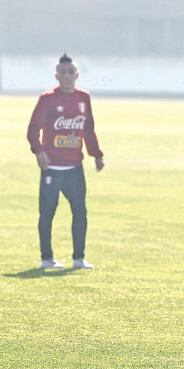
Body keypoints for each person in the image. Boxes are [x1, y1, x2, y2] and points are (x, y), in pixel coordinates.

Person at [26, 53, 105, 270]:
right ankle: (46, 258)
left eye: (71, 72)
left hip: (74, 168)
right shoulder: (48, 99)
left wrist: (96, 154)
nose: (67, 76)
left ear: (77, 74)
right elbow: (33, 129)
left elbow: (88, 129)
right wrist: (39, 152)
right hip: (52, 167)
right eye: (63, 72)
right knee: (47, 212)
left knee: (80, 211)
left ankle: (78, 259)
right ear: (56, 75)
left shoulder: (83, 98)